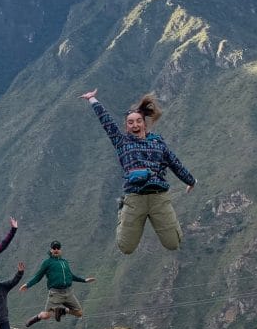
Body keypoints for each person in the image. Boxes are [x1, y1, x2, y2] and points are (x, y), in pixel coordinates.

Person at [82, 88, 195, 254]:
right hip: (135, 198)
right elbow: (106, 122)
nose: (135, 125)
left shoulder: (158, 143)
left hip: (159, 198)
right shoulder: (122, 142)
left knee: (173, 243)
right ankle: (123, 209)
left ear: (144, 123)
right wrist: (93, 100)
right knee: (126, 247)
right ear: (126, 126)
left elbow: (175, 163)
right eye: (130, 122)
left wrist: (191, 181)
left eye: (138, 121)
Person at [20, 241, 95, 326]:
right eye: (54, 248)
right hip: (55, 293)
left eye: (58, 248)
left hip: (68, 293)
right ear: (51, 250)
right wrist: (28, 285)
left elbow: (70, 276)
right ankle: (36, 317)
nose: (56, 250)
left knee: (79, 313)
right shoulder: (47, 263)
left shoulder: (64, 262)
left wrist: (84, 280)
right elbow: (38, 276)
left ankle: (62, 310)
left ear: (60, 250)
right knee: (46, 316)